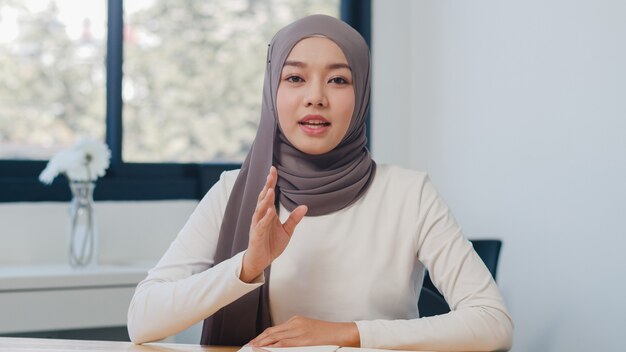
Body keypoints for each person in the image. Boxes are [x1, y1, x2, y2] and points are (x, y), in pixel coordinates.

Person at [127, 14, 513, 351]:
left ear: (361, 93)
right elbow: (142, 320)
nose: (315, 97)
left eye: (338, 80)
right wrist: (247, 266)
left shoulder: (409, 194)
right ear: (272, 91)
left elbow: (492, 323)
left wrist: (347, 333)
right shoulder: (235, 192)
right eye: (295, 77)